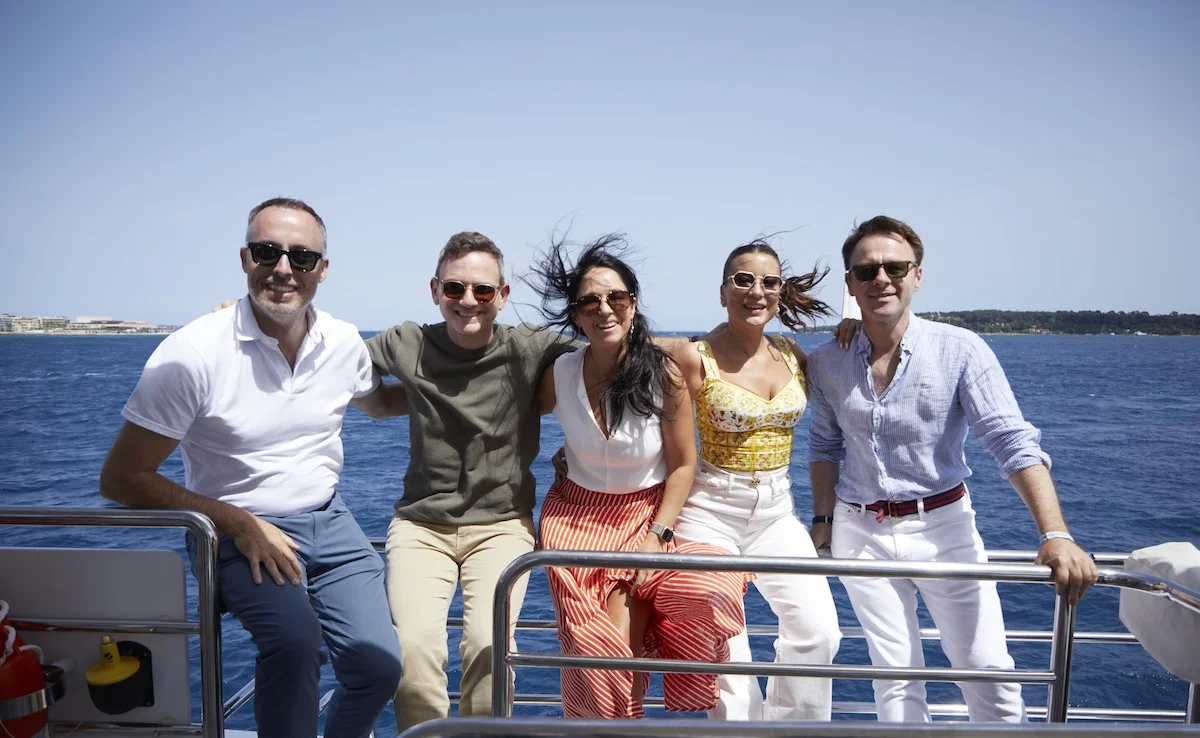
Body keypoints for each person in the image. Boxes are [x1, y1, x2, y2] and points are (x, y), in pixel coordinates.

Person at [99, 198, 405, 738]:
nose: (284, 269)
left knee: (378, 666)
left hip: (329, 522)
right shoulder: (192, 354)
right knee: (294, 647)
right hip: (232, 529)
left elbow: (378, 403)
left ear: (322, 270)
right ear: (245, 258)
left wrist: (473, 389)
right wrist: (238, 523)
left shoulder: (342, 342)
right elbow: (122, 478)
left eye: (301, 257)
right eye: (268, 252)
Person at [807, 215, 1099, 722]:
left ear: (917, 276)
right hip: (861, 531)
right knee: (894, 680)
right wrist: (825, 520)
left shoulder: (960, 349)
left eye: (895, 266)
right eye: (867, 270)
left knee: (988, 670)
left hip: (944, 525)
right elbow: (824, 444)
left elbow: (1011, 441)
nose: (881, 278)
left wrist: (1055, 533)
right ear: (850, 284)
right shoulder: (829, 360)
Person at [530, 235, 751, 719]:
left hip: (643, 518)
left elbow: (684, 465)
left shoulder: (663, 375)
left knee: (707, 591)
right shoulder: (559, 373)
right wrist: (556, 456)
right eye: (590, 300)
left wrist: (658, 535)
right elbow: (511, 426)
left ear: (633, 303)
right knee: (595, 655)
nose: (603, 309)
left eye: (616, 297)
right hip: (574, 518)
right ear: (575, 313)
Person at [365, 232, 577, 731]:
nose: (468, 301)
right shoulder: (406, 342)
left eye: (483, 291)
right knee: (412, 651)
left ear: (502, 295)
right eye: (455, 288)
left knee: (489, 644)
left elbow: (609, 357)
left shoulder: (529, 346)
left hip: (502, 525)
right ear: (435, 289)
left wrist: (707, 344)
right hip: (421, 527)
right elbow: (327, 361)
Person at [670, 240, 844, 721]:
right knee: (727, 650)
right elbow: (651, 424)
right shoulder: (693, 357)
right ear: (723, 290)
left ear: (780, 291)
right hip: (710, 510)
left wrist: (853, 329)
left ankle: (791, 731)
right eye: (743, 279)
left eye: (769, 282)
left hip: (776, 511)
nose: (756, 290)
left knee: (819, 632)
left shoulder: (792, 354)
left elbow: (848, 388)